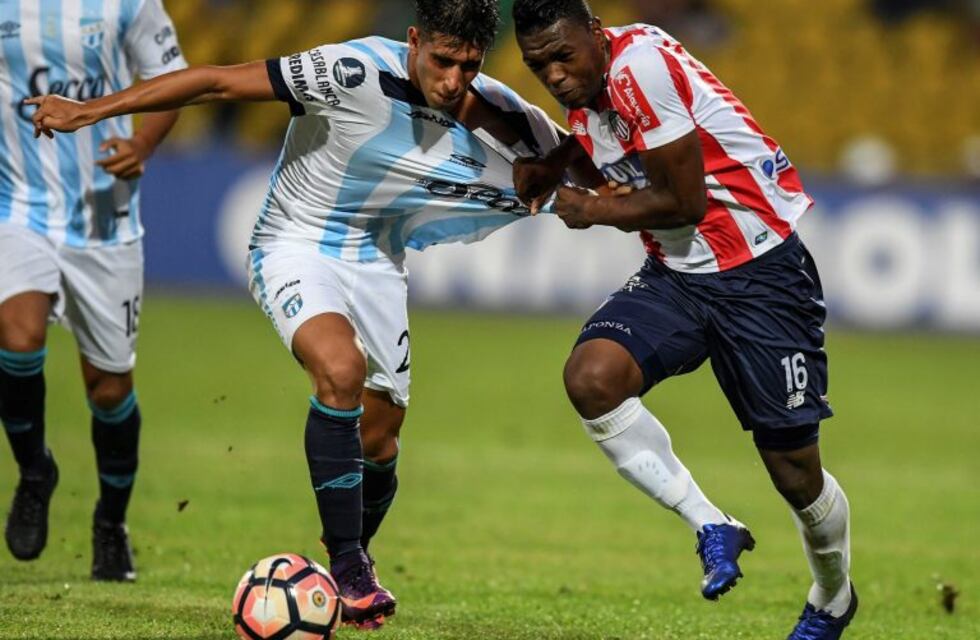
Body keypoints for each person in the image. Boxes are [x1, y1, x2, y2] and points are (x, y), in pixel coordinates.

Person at [27, 0, 572, 629]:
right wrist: (90, 110)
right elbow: (215, 82)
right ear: (415, 40)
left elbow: (578, 155)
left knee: (381, 438)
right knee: (340, 371)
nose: (453, 82)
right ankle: (349, 566)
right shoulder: (349, 70)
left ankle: (346, 560)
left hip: (376, 258)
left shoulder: (495, 109)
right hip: (296, 242)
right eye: (443, 61)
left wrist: (567, 171)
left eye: (468, 67)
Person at [510, 2, 856, 638]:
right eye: (539, 66)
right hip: (677, 275)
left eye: (562, 56)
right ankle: (712, 523)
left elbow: (685, 202)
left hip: (760, 276)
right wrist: (557, 160)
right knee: (592, 378)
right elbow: (609, 144)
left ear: (595, 34)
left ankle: (833, 598)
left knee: (794, 471)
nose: (554, 75)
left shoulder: (639, 68)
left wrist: (590, 210)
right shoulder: (596, 78)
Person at [0, 0, 185, 582]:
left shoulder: (129, 4)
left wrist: (142, 145)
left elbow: (173, 80)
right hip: (18, 207)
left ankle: (110, 522)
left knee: (108, 389)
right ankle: (35, 471)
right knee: (17, 336)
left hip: (105, 218)